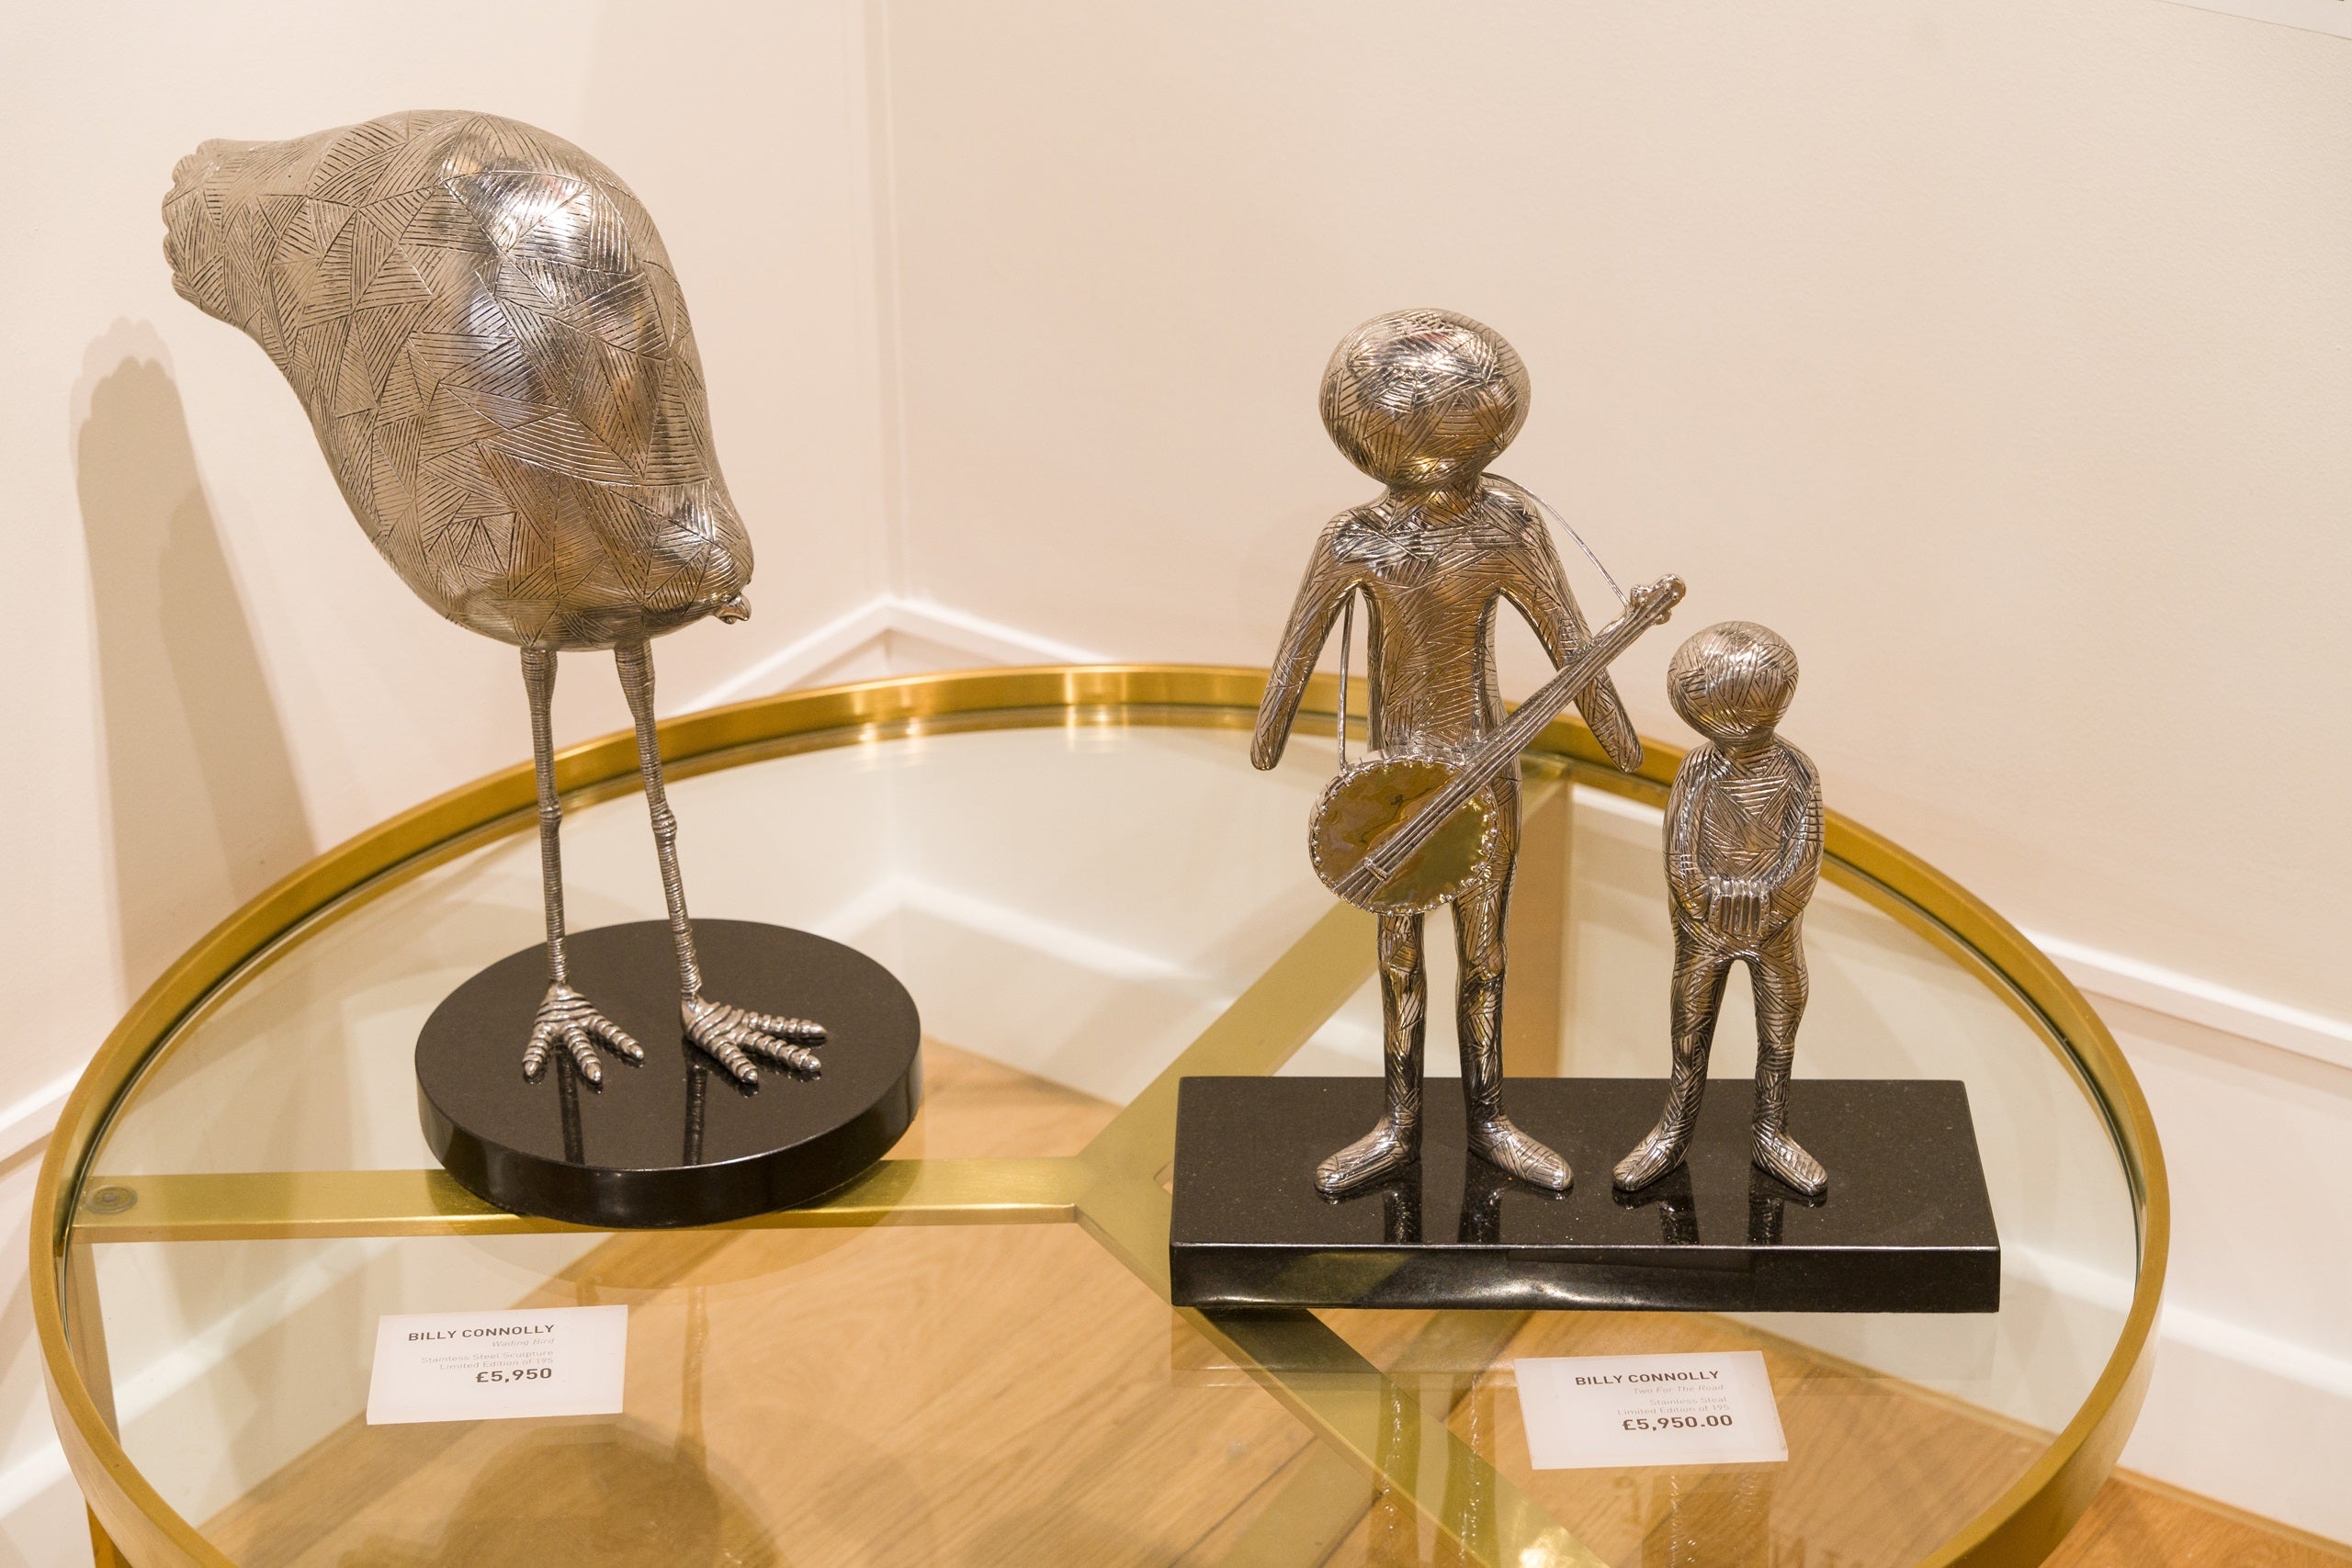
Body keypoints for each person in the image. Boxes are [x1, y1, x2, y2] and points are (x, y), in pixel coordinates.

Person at [1253, 308, 1643, 1195]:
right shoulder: (1356, 538)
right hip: (1394, 783)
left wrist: (1616, 732)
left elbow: (1570, 642)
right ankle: (1399, 1122)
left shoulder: (1508, 527)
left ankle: (1489, 1118)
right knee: (1399, 953)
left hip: (1481, 768)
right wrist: (1271, 733)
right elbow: (1295, 658)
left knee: (1485, 953)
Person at [1613, 621, 1828, 1197]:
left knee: (1778, 1032)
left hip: (1774, 934)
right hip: (1702, 931)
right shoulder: (1697, 770)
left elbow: (1804, 857)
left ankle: (1771, 1132)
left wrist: (1768, 906)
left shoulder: (1797, 772)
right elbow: (1680, 856)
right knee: (1689, 1029)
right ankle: (1674, 1130)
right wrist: (1706, 903)